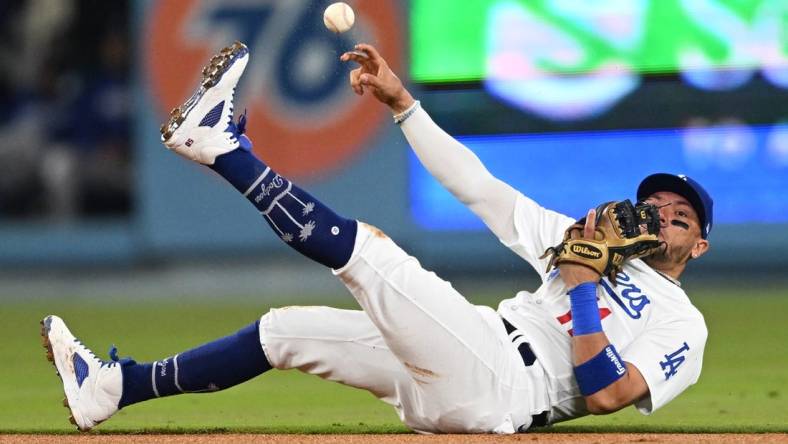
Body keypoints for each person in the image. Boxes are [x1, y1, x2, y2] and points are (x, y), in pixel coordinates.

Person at [42, 42, 713, 434]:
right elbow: (476, 186)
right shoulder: (582, 239)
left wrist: (584, 289)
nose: (664, 210)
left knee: (370, 253)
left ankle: (220, 149)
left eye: (682, 213)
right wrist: (403, 105)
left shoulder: (680, 321)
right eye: (655, 201)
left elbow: (607, 396)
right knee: (284, 331)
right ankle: (114, 388)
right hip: (468, 358)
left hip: (506, 387)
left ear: (699, 246)